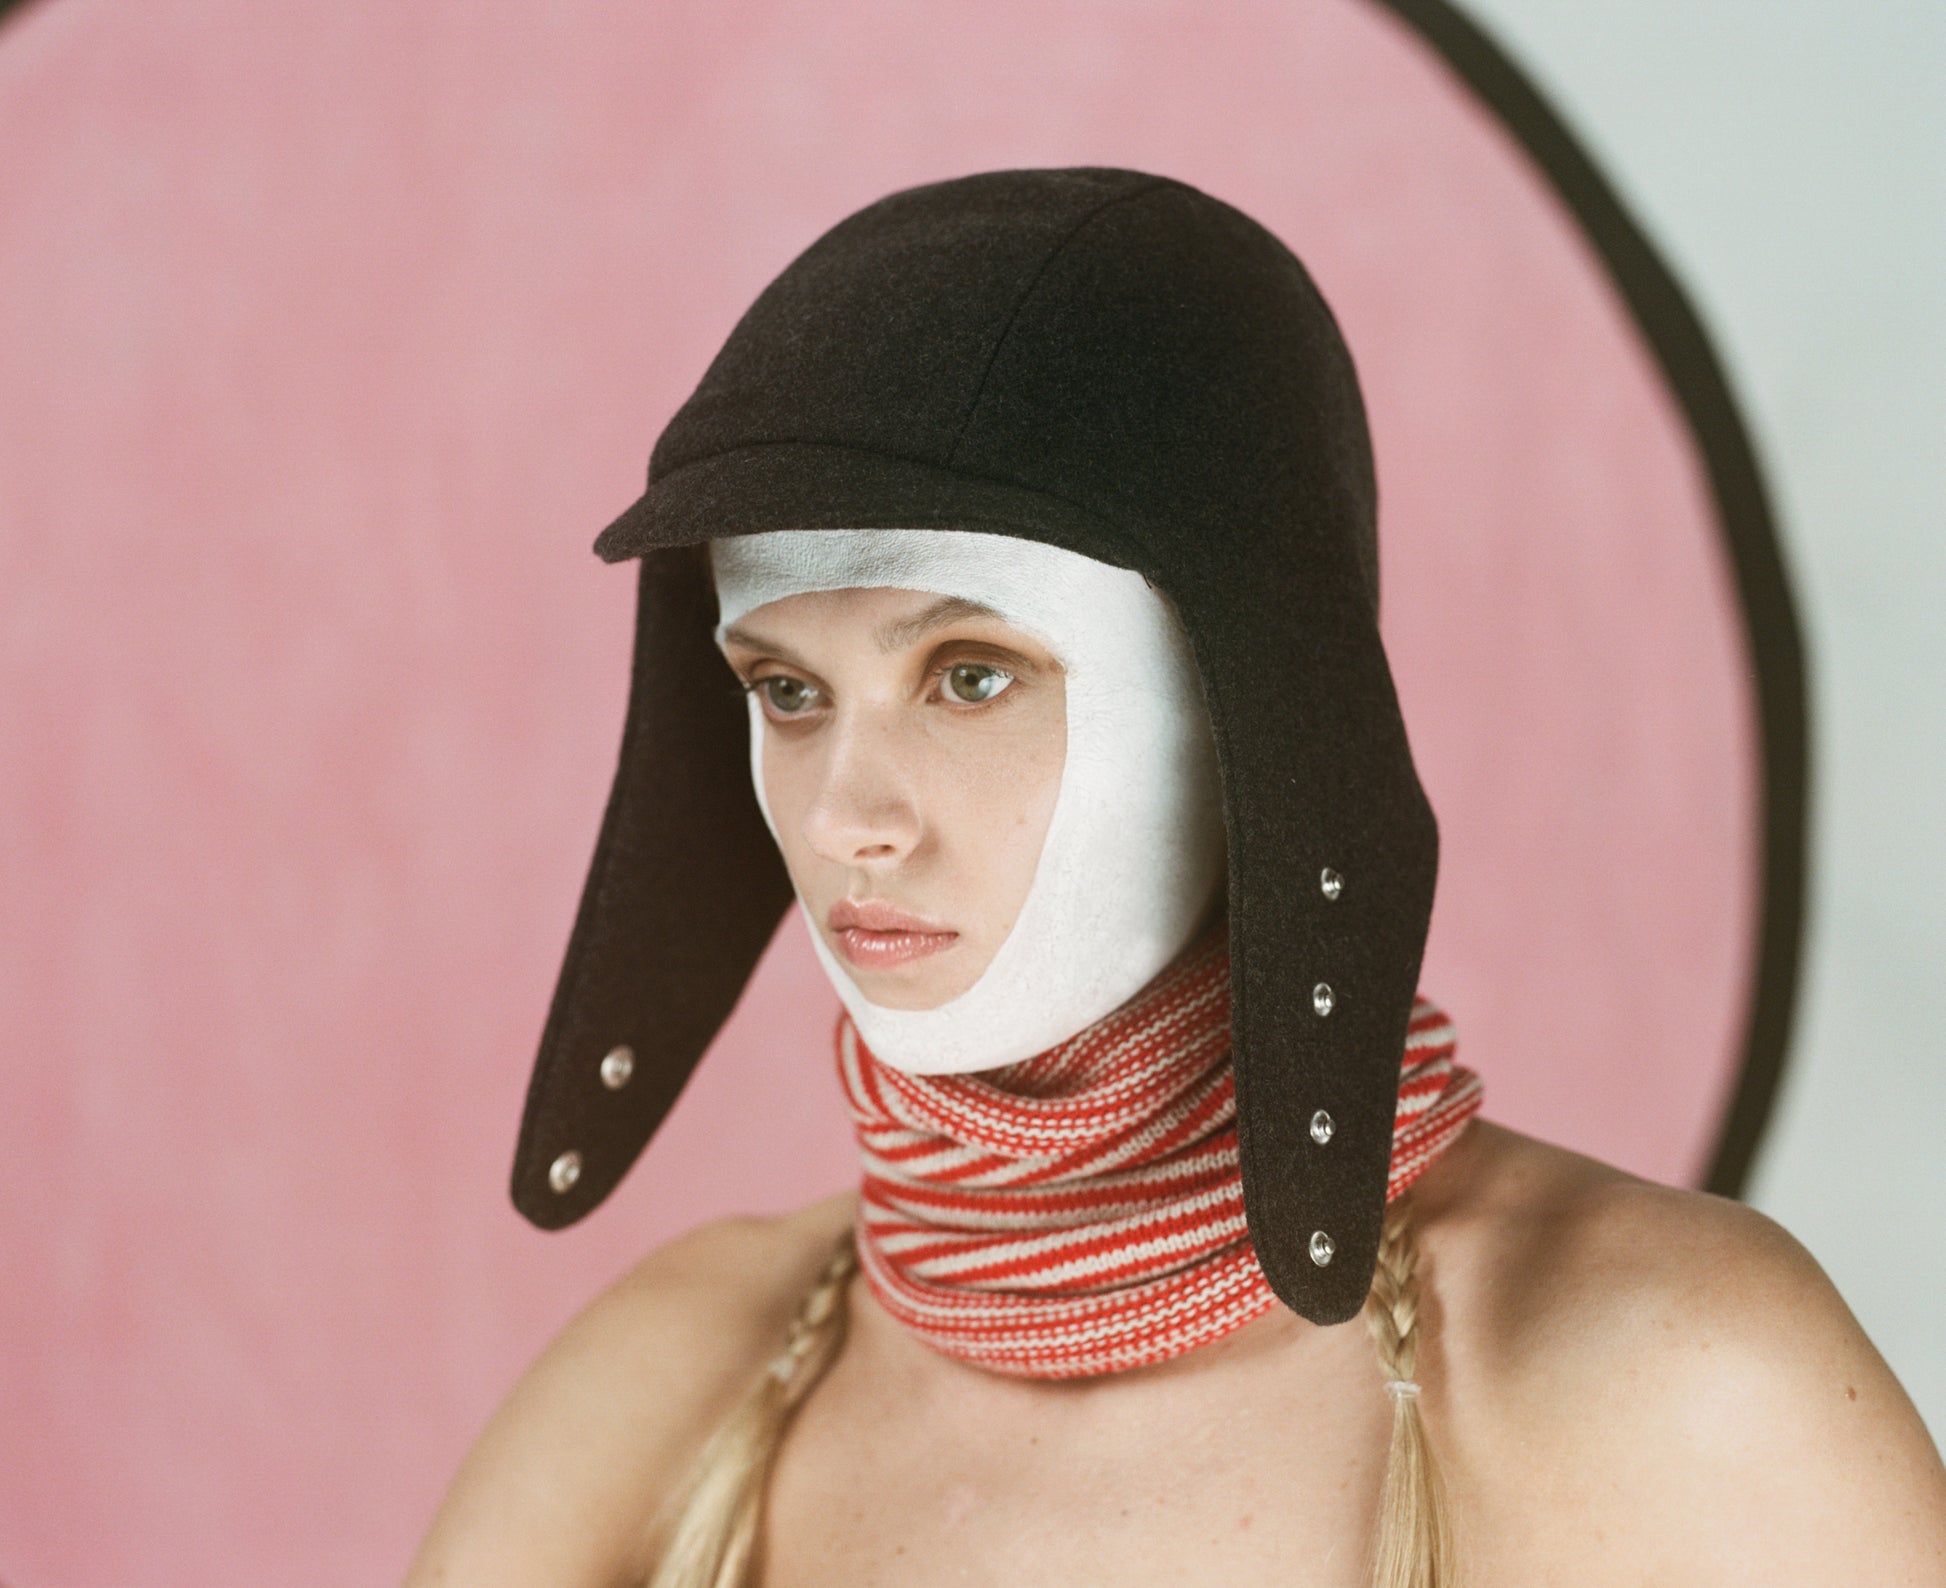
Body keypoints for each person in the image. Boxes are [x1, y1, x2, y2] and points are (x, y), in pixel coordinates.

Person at [405, 169, 1946, 1587]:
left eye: (969, 674)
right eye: (788, 692)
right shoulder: (666, 1385)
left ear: (1251, 707)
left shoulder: (1666, 1389)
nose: (848, 820)